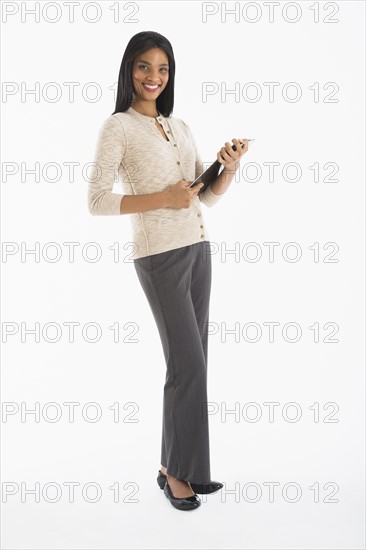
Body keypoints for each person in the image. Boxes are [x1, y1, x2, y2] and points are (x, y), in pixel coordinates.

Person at [88, 31, 249, 511]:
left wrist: (229, 168)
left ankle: (171, 465)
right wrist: (165, 198)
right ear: (128, 71)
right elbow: (96, 201)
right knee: (189, 367)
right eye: (143, 67)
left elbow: (204, 196)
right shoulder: (117, 127)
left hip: (198, 249)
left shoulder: (178, 126)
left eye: (162, 68)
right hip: (159, 255)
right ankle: (182, 474)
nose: (153, 77)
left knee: (191, 362)